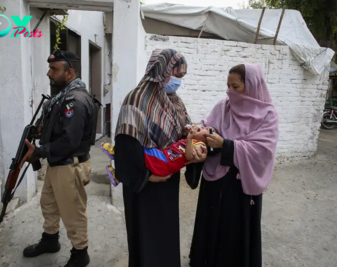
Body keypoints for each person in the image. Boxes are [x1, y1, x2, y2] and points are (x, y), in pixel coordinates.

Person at [114, 48, 207, 267]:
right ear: (160, 70)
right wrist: (145, 176)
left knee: (165, 235)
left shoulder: (174, 101)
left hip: (167, 180)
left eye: (180, 77)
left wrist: (194, 140)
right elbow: (126, 144)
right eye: (175, 75)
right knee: (145, 238)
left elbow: (185, 130)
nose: (177, 81)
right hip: (143, 184)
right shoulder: (136, 98)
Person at [185, 63, 279, 267]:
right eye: (228, 86)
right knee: (210, 224)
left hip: (239, 186)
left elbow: (263, 151)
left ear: (252, 86)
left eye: (235, 87)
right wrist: (201, 132)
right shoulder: (223, 106)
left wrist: (226, 145)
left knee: (232, 231)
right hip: (214, 181)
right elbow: (209, 125)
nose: (230, 92)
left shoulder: (267, 115)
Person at [20, 49, 101, 267]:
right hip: (58, 164)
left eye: (54, 69)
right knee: (49, 205)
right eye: (49, 68)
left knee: (73, 212)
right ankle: (50, 240)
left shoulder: (74, 100)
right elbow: (60, 129)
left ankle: (80, 254)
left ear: (70, 72)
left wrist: (39, 152)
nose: (49, 73)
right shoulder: (61, 98)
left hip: (69, 166)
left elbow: (70, 141)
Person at [100, 125, 211, 186]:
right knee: (139, 158)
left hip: (165, 162)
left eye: (209, 130)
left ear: (208, 140)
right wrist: (188, 134)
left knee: (139, 150)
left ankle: (116, 152)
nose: (204, 127)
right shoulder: (193, 140)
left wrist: (190, 138)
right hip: (164, 157)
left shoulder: (200, 146)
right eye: (205, 126)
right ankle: (118, 177)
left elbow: (189, 156)